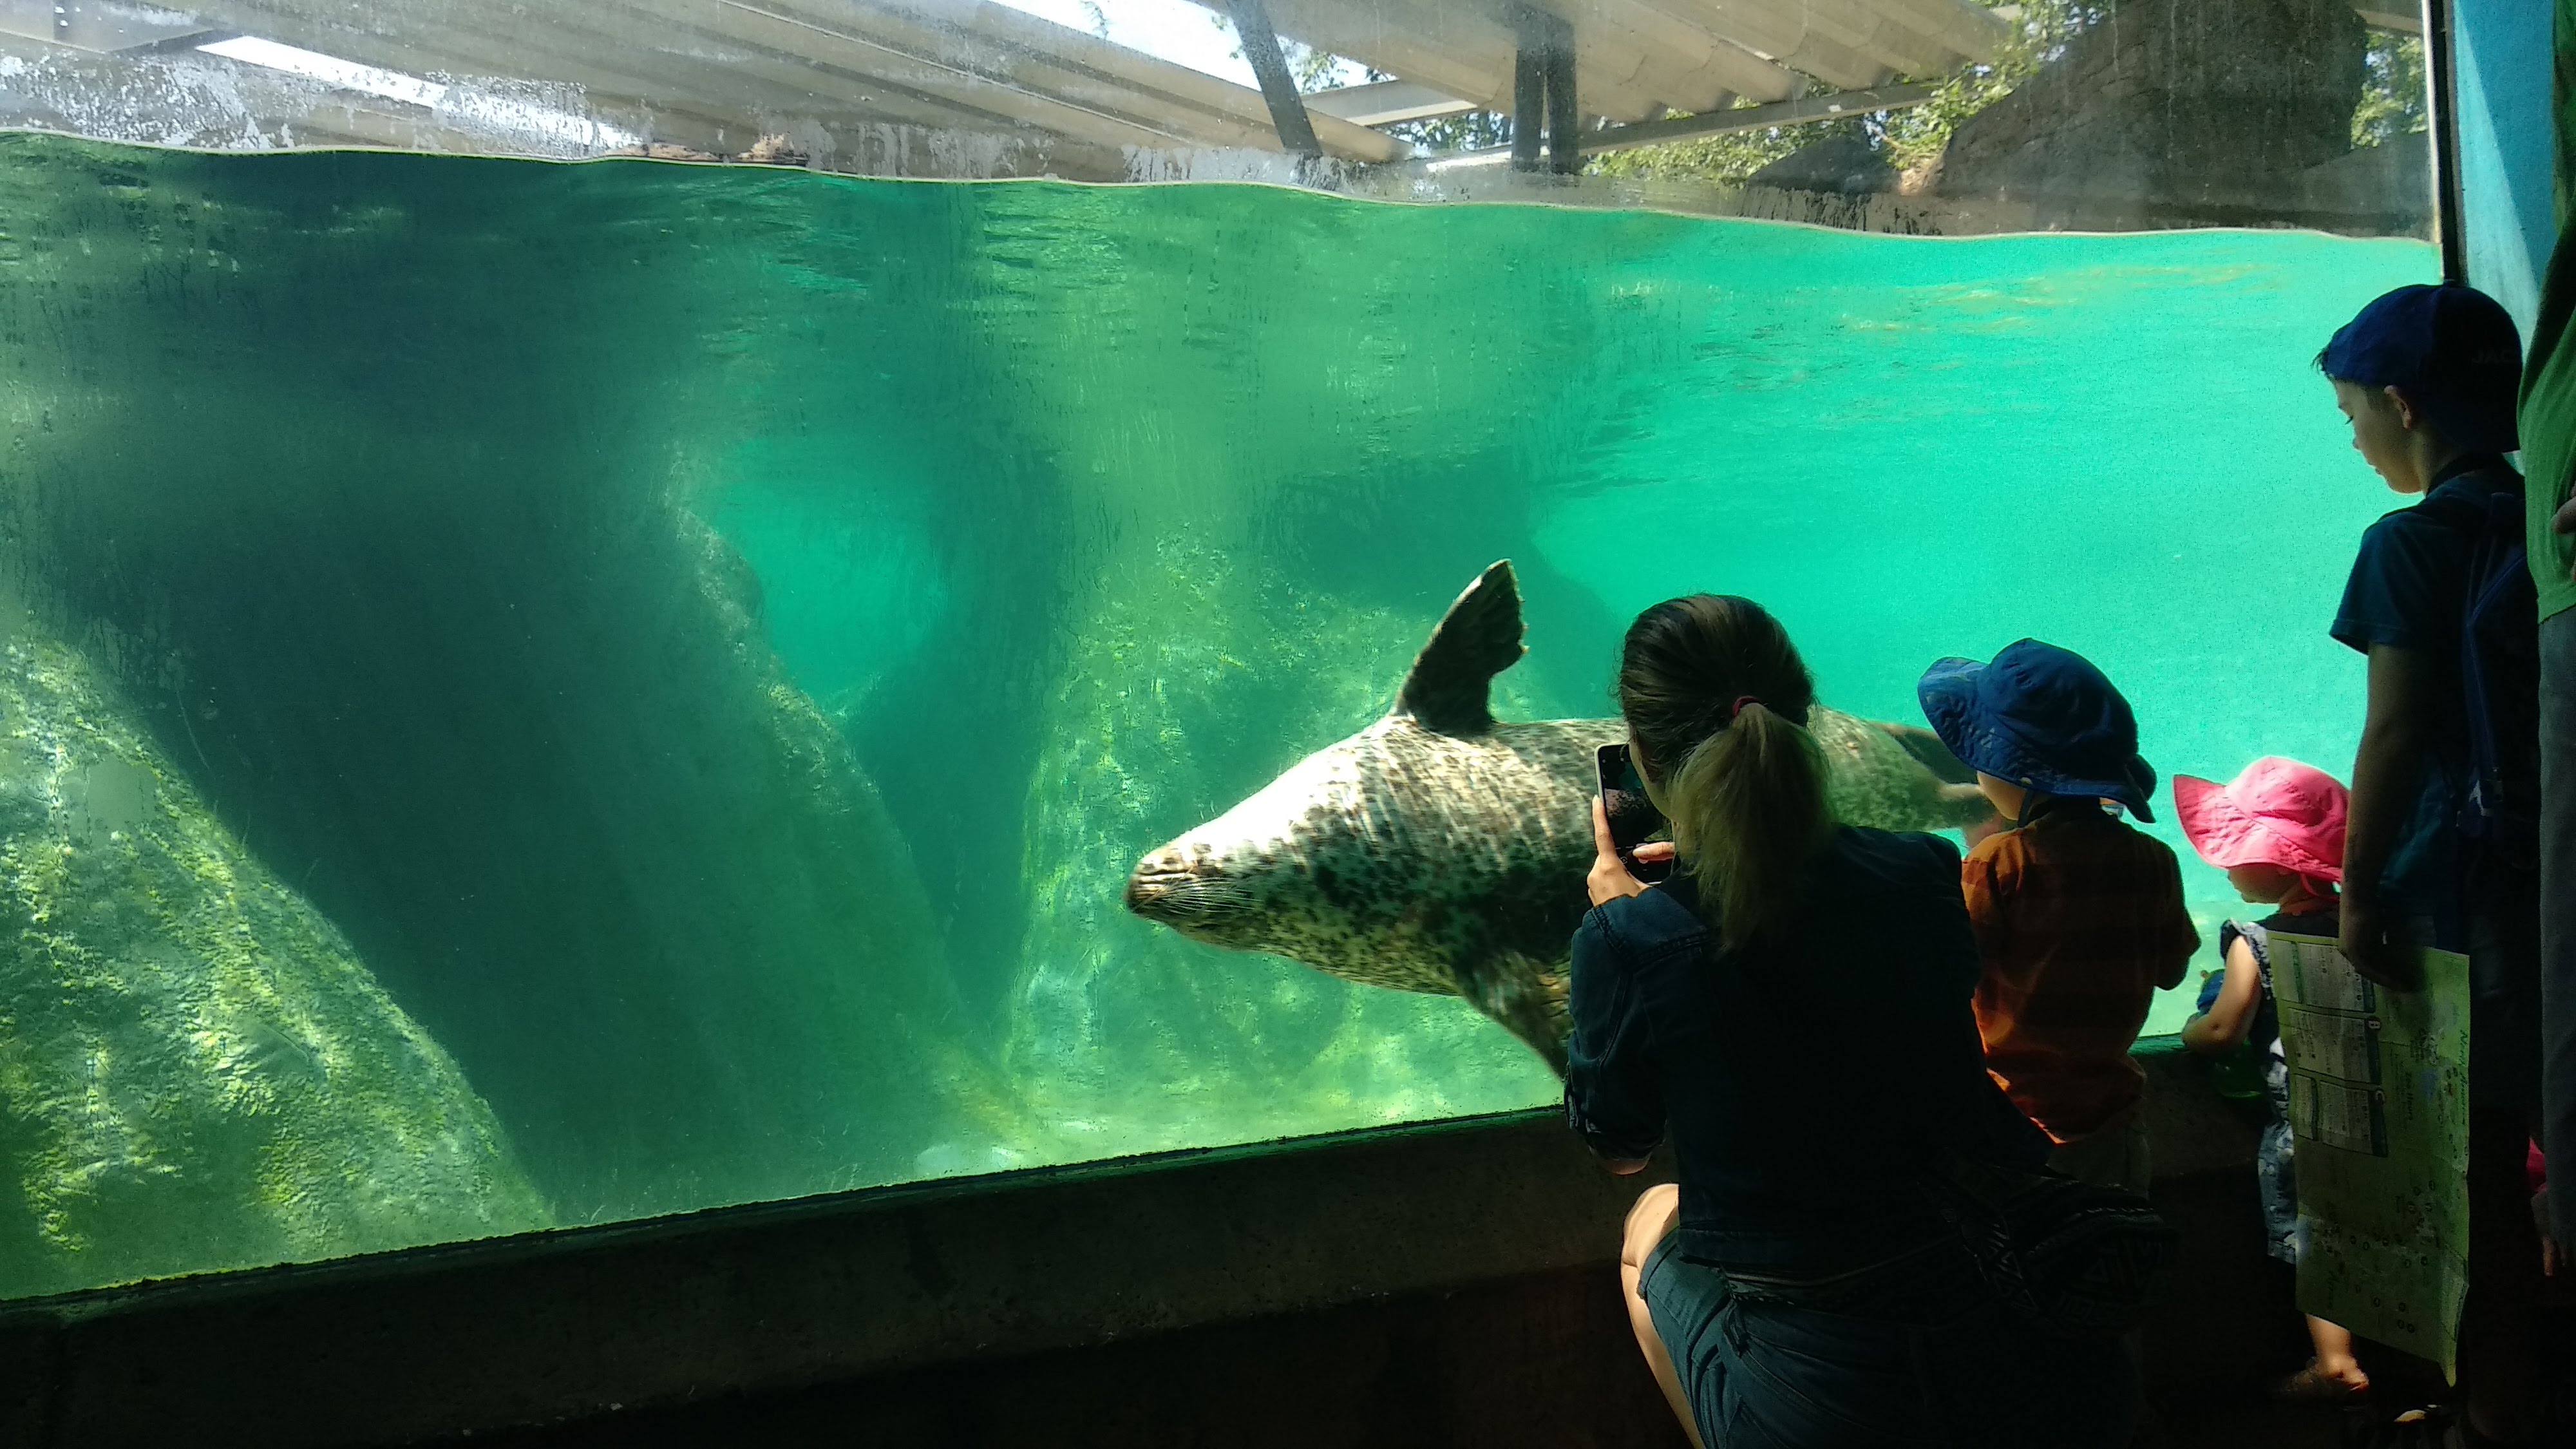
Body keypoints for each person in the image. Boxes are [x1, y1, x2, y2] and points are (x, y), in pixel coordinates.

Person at [1566, 594, 2133, 1449]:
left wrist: (1625, 925)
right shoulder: (1925, 869)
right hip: (2029, 1329)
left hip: (1832, 1398)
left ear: (1642, 759)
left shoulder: (1634, 937)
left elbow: (1619, 1146)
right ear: (1803, 722)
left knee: (1648, 1220)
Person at [2322, 281, 2544, 1446]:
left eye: (2354, 410)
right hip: (2554, 872)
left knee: (2482, 1172)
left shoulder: (2410, 543)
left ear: (2403, 403)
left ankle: (2500, 1414)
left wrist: (2358, 895)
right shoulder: (2545, 516)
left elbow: (2398, 731)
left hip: (2468, 902)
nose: (2355, 436)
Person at [1916, 640, 2200, 1193]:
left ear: (2018, 772)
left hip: (2012, 1124)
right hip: (2112, 1123)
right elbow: (2170, 971)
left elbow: (1952, 975)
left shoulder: (1997, 863)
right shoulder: (2153, 860)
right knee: (2115, 1244)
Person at [2171, 757, 2369, 1399]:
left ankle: (2335, 1362)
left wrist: (2190, 1032)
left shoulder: (2254, 939)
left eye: (2236, 850)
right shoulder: (2365, 926)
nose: (2224, 865)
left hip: (2303, 1125)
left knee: (2316, 1234)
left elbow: (2224, 1029)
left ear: (2281, 863)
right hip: (2381, 1113)